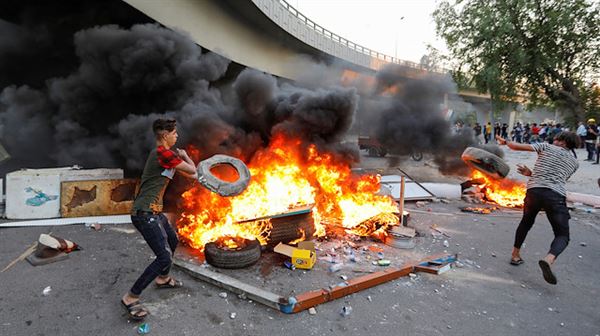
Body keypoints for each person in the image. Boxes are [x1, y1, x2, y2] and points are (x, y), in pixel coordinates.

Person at [121, 118, 197, 321]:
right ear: (165, 135)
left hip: (154, 212)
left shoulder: (167, 156)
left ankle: (163, 278)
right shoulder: (162, 154)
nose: (177, 136)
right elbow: (192, 170)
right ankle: (131, 297)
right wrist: (186, 156)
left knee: (172, 241)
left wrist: (184, 159)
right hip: (144, 214)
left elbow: (193, 176)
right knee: (163, 256)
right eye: (174, 133)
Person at [496, 131, 579, 285]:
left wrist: (505, 142)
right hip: (555, 197)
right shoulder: (575, 163)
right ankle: (548, 259)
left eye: (556, 139)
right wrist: (531, 173)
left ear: (563, 142)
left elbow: (515, 146)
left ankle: (515, 255)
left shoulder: (546, 147)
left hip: (534, 192)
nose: (553, 140)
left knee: (526, 222)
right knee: (562, 235)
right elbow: (556, 179)